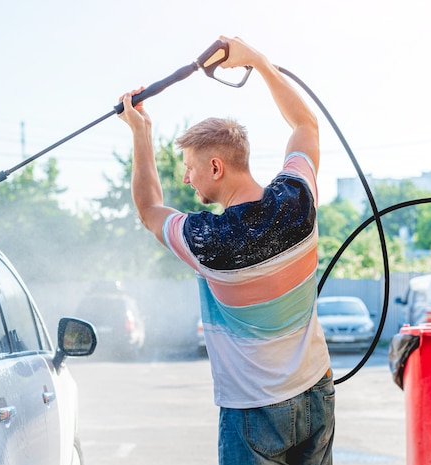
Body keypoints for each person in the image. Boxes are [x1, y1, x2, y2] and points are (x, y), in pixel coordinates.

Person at [118, 35, 334, 465]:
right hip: (316, 396)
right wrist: (257, 61)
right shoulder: (297, 198)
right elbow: (305, 126)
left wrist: (141, 133)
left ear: (216, 167)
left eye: (190, 168)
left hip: (254, 414)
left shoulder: (207, 241)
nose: (185, 179)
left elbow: (148, 209)